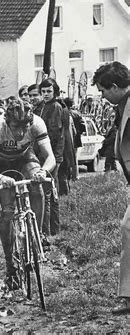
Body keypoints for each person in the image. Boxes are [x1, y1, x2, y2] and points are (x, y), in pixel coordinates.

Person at [0, 97, 56, 289]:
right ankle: (9, 265)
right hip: (0, 163)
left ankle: (35, 236)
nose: (21, 132)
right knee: (7, 212)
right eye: (16, 127)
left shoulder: (37, 123)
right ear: (7, 122)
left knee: (37, 187)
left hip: (24, 158)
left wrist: (43, 172)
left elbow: (50, 157)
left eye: (25, 127)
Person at [91, 62, 130, 314]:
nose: (102, 97)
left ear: (114, 87)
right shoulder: (123, 105)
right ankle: (128, 295)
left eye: (103, 91)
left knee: (128, 228)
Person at [35, 78, 65, 236]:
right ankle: (52, 230)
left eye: (49, 91)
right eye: (43, 91)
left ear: (55, 92)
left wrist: (48, 155)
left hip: (52, 155)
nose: (46, 94)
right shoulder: (41, 106)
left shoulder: (55, 107)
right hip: (43, 154)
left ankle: (47, 231)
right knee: (49, 193)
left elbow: (53, 134)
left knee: (47, 193)